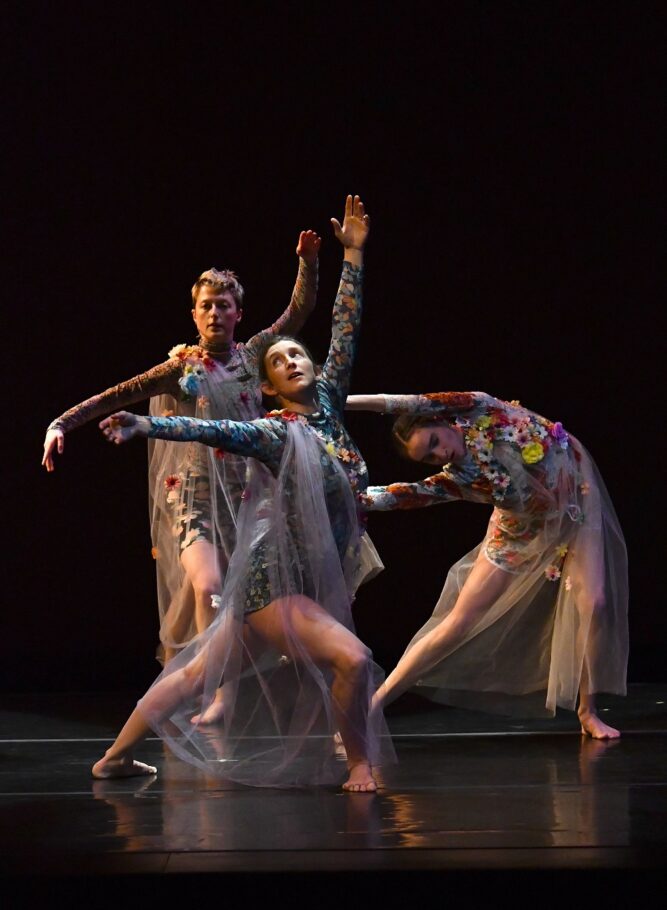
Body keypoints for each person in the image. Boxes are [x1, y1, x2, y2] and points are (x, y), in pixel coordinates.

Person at [94, 196, 391, 791]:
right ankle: (359, 762)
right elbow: (210, 427)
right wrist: (147, 423)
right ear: (270, 385)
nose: (290, 357)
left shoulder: (329, 406)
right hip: (269, 583)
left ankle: (115, 757)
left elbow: (345, 325)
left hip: (298, 576)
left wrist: (352, 254)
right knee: (353, 660)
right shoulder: (273, 432)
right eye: (278, 360)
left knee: (197, 672)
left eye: (296, 352)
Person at [42, 234, 320, 691]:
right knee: (208, 587)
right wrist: (61, 422)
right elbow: (119, 394)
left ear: (238, 315)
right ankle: (192, 686)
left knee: (241, 601)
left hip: (249, 493)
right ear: (194, 315)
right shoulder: (182, 369)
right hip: (195, 495)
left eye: (224, 306)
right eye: (207, 306)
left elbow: (300, 310)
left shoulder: (253, 357)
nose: (215, 313)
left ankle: (220, 693)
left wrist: (307, 261)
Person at [347, 390, 628, 739]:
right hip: (519, 530)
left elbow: (408, 402)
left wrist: (342, 400)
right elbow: (401, 495)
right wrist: (346, 495)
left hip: (573, 505)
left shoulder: (485, 411)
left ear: (439, 419)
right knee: (457, 623)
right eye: (430, 458)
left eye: (434, 441)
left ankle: (588, 710)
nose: (440, 454)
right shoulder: (459, 478)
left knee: (594, 602)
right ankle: (374, 705)